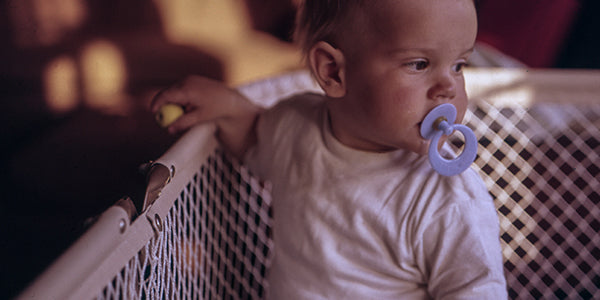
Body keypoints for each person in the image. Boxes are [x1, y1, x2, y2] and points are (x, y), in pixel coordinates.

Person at [151, 0, 508, 298]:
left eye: (459, 65)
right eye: (419, 64)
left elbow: (476, 289)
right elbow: (255, 138)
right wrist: (226, 104)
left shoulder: (446, 198)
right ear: (333, 71)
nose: (448, 88)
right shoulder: (296, 126)